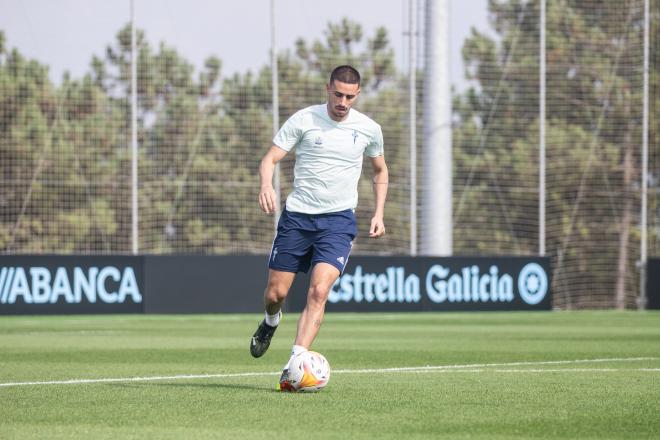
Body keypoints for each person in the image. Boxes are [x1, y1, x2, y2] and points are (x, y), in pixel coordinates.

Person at [249, 65, 388, 391]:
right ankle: (271, 321)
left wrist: (379, 212)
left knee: (319, 290)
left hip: (338, 222)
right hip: (297, 218)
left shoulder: (368, 129)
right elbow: (269, 158)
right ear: (328, 88)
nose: (343, 101)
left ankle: (294, 363)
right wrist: (266, 185)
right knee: (276, 294)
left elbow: (380, 170)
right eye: (338, 94)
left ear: (358, 95)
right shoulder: (304, 120)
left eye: (350, 96)